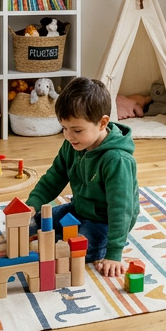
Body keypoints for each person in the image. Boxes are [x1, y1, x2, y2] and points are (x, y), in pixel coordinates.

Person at [26, 77, 139, 278]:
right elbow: (54, 177)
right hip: (79, 209)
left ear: (102, 123)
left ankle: (96, 244)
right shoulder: (72, 145)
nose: (69, 136)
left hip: (105, 221)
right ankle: (54, 236)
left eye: (77, 130)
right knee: (37, 220)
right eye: (64, 128)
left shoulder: (117, 160)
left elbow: (121, 210)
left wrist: (114, 254)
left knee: (72, 249)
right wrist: (32, 204)